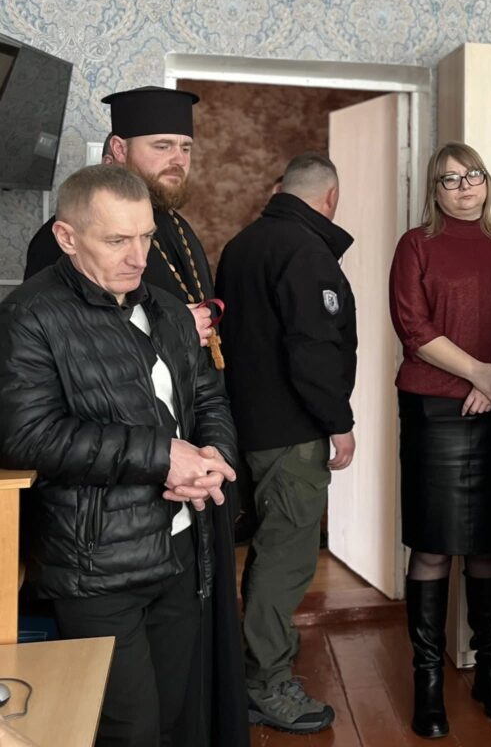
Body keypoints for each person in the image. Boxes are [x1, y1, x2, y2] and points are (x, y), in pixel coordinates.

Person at [0, 164, 239, 746]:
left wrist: (212, 455)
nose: (138, 257)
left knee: (177, 720)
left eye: (146, 237)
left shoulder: (166, 308)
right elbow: (27, 435)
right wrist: (163, 457)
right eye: (116, 240)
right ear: (66, 237)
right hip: (96, 563)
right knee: (129, 732)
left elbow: (208, 396)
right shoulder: (30, 315)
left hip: (182, 545)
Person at [389, 141, 491, 738]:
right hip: (434, 407)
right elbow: (413, 327)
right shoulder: (416, 245)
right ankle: (427, 680)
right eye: (450, 179)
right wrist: (479, 373)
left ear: (487, 181)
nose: (464, 186)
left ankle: (490, 670)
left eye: (473, 174)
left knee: (488, 544)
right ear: (434, 189)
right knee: (431, 546)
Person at [216, 152, 356, 734]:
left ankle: (256, 666)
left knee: (266, 551)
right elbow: (313, 349)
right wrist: (338, 421)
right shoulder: (306, 251)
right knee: (285, 559)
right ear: (330, 198)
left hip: (244, 425)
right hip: (292, 434)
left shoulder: (241, 245)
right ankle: (266, 684)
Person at [24, 86, 217, 356]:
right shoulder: (68, 233)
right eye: (162, 146)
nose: (179, 159)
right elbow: (52, 333)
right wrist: (174, 329)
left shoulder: (178, 224)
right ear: (119, 149)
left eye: (186, 148)